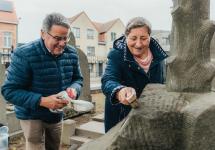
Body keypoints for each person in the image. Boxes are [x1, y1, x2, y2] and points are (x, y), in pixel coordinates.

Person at [1, 12, 83, 150]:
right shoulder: (24, 54)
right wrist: (43, 101)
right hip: (31, 115)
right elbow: (9, 91)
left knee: (54, 146)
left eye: (66, 38)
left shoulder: (72, 53)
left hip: (57, 114)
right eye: (57, 38)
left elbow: (78, 79)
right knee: (35, 146)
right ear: (43, 34)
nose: (63, 43)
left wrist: (74, 88)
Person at [101, 17, 168, 132]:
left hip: (150, 117)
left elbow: (163, 83)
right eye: (133, 38)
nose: (138, 44)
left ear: (150, 37)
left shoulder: (159, 57)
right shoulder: (117, 55)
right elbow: (108, 80)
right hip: (122, 119)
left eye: (143, 38)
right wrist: (120, 91)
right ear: (126, 37)